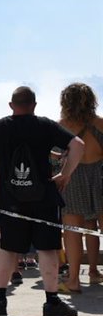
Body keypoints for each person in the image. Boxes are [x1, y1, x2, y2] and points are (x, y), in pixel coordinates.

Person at [0, 86, 84, 316]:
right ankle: (51, 302)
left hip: (10, 197)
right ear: (34, 104)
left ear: (11, 105)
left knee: (8, 248)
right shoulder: (45, 125)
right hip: (43, 198)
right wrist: (65, 174)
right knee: (47, 248)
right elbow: (78, 145)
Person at [58, 83, 103, 291]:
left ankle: (73, 281)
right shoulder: (101, 124)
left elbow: (54, 153)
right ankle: (94, 272)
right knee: (93, 227)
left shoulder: (61, 126)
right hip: (101, 175)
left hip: (72, 177)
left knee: (72, 231)